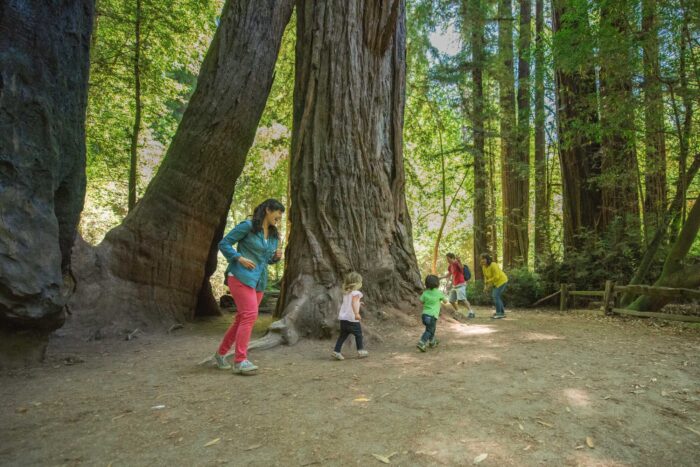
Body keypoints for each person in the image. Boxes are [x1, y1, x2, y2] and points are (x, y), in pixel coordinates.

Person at [211, 199, 285, 374]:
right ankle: (240, 360)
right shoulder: (248, 226)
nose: (279, 218)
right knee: (250, 315)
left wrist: (275, 258)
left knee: (242, 318)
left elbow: (266, 260)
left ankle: (221, 354)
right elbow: (224, 243)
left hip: (259, 280)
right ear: (268, 210)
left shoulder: (274, 235)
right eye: (278, 213)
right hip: (240, 275)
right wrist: (239, 258)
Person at [332, 272, 368, 360]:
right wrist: (356, 313)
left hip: (344, 319)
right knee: (359, 334)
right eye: (360, 282)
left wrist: (359, 303)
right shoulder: (356, 293)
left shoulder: (347, 293)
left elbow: (350, 303)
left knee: (342, 336)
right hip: (352, 319)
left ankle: (336, 351)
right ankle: (361, 351)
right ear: (357, 283)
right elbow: (353, 303)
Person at [417, 274, 449, 352]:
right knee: (429, 330)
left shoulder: (425, 293)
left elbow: (421, 301)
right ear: (437, 283)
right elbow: (445, 301)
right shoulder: (438, 293)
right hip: (432, 316)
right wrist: (441, 299)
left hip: (424, 315)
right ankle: (422, 342)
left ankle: (432, 342)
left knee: (431, 329)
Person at [442, 253, 475, 318]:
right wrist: (441, 278)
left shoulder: (456, 263)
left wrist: (459, 261)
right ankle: (459, 311)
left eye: (448, 259)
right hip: (454, 285)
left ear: (452, 258)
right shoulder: (450, 266)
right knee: (451, 300)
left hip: (461, 284)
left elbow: (461, 268)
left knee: (463, 299)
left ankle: (471, 312)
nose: (447, 260)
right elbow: (449, 275)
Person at [480, 253, 508, 319]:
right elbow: (485, 278)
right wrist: (485, 287)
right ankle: (501, 313)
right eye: (481, 259)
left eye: (484, 259)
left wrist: (488, 281)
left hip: (502, 281)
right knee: (496, 296)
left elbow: (497, 277)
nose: (482, 260)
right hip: (495, 283)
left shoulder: (493, 265)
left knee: (495, 296)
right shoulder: (484, 267)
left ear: (487, 259)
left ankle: (499, 313)